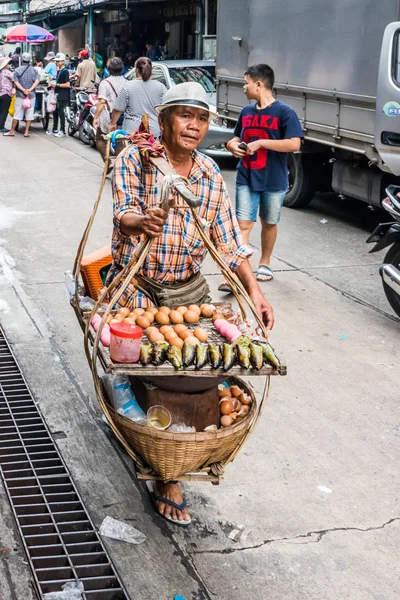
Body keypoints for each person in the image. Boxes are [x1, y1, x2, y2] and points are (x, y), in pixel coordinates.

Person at [107, 82, 274, 524]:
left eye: (201, 119)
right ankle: (166, 471)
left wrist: (254, 290)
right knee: (150, 367)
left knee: (198, 367)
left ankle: (174, 447)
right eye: (184, 116)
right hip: (136, 283)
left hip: (187, 288)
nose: (194, 126)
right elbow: (123, 215)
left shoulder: (209, 175)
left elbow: (229, 245)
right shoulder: (134, 160)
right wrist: (141, 221)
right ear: (163, 121)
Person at [221, 63, 303, 287]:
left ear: (258, 84)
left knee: (269, 222)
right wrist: (231, 145)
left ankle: (265, 262)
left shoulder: (284, 112)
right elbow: (236, 137)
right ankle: (236, 272)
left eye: (246, 83)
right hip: (246, 176)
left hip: (274, 179)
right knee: (243, 224)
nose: (244, 88)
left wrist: (261, 143)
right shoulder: (246, 112)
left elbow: (294, 143)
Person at [109, 57, 166, 136]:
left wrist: (112, 124)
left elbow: (118, 109)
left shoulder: (128, 86)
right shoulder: (161, 87)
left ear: (136, 70)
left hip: (132, 133)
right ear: (150, 70)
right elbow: (166, 110)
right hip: (154, 133)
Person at [93, 57, 126, 172]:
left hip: (108, 117)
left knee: (100, 139)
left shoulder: (105, 83)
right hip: (123, 117)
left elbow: (101, 102)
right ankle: (121, 167)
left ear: (109, 69)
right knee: (119, 140)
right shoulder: (127, 82)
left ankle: (108, 163)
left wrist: (96, 117)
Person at [4, 52, 39, 138]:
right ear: (30, 60)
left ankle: (12, 131)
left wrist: (23, 90)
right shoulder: (35, 70)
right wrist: (30, 90)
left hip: (20, 96)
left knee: (17, 114)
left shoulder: (17, 70)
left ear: (22, 60)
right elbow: (37, 81)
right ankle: (26, 132)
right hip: (31, 96)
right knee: (29, 114)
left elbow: (15, 82)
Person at [46, 53, 70, 137]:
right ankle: (54, 129)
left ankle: (62, 130)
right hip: (57, 94)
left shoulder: (65, 71)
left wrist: (57, 85)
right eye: (56, 61)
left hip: (63, 94)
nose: (56, 63)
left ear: (63, 61)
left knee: (61, 112)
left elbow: (67, 84)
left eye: (58, 61)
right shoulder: (59, 71)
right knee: (55, 112)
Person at [0, 57, 14, 133]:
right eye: (7, 63)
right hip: (6, 93)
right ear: (4, 65)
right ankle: (1, 127)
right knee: (4, 111)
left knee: (0, 110)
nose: (8, 65)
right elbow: (14, 78)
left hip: (0, 93)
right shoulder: (6, 72)